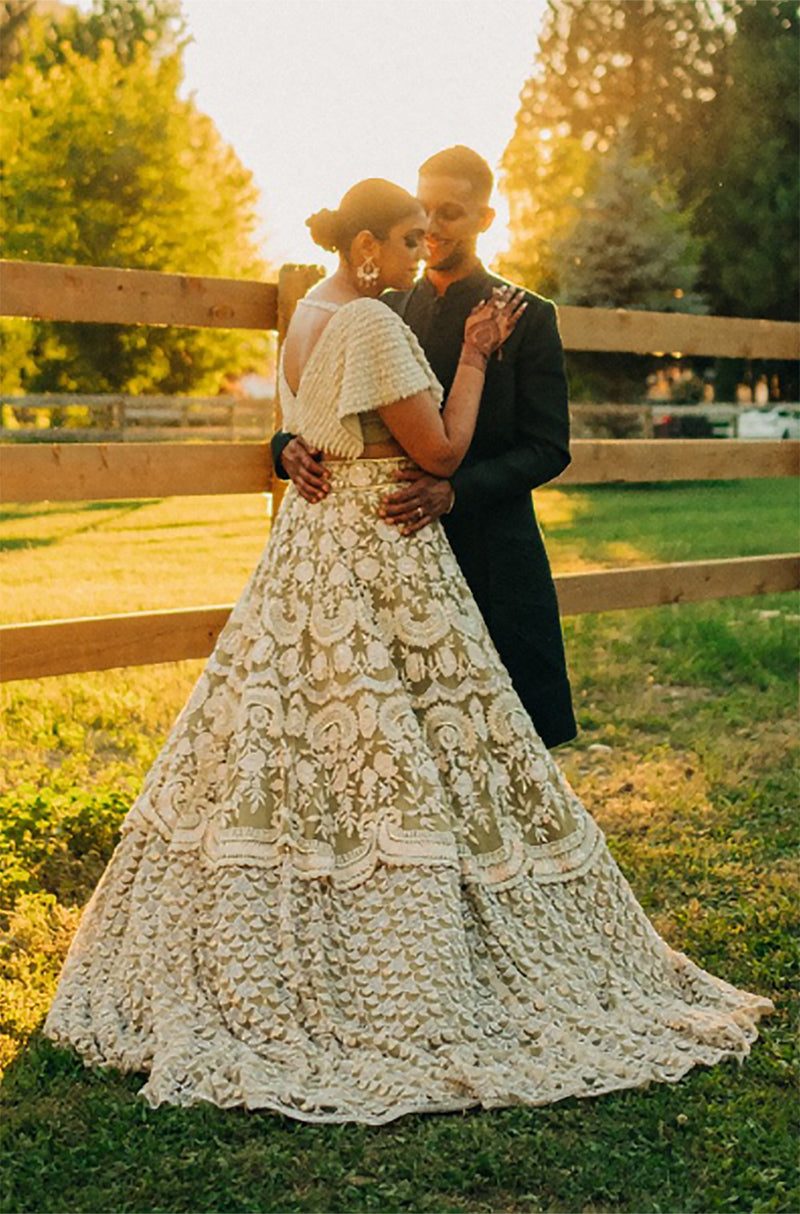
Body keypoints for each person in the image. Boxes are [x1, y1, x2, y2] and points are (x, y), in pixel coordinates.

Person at [45, 178, 771, 1124]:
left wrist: (315, 448)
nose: (425, 240)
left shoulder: (317, 308)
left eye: (441, 222)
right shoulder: (385, 318)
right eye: (409, 230)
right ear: (370, 247)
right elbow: (427, 449)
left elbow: (520, 442)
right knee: (405, 750)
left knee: (314, 742)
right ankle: (414, 943)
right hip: (382, 549)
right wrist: (450, 373)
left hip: (340, 552)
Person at [272, 146, 576, 749]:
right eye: (422, 213)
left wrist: (454, 491)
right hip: (391, 560)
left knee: (502, 732)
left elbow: (549, 446)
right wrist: (284, 446)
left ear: (487, 219)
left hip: (489, 545)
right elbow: (325, 407)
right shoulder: (378, 308)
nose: (432, 228)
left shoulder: (525, 316)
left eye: (450, 212)